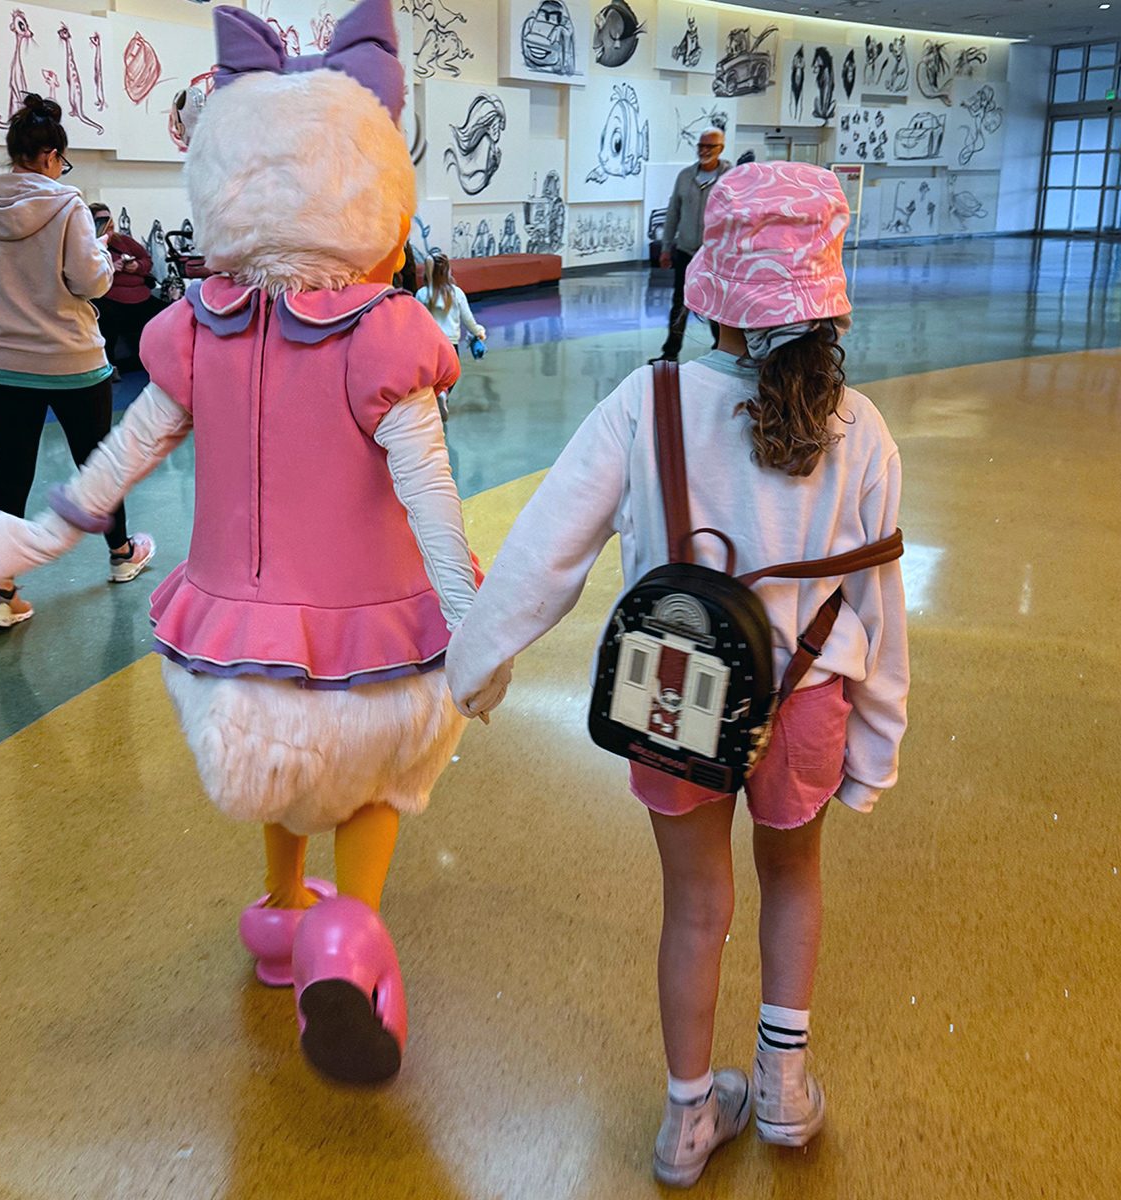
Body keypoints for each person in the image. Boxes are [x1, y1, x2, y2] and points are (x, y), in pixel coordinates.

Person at [0, 0, 479, 1089]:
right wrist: (475, 623)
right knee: (374, 784)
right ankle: (349, 935)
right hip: (369, 644)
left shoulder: (198, 332)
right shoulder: (381, 337)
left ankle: (285, 916)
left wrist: (41, 535)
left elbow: (123, 457)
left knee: (281, 781)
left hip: (232, 655)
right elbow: (429, 493)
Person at [444, 162, 908, 1186]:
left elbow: (544, 549)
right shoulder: (862, 429)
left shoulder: (645, 402)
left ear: (715, 297)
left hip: (674, 692)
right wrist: (876, 747)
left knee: (695, 905)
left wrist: (473, 664)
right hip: (810, 696)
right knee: (795, 878)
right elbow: (879, 606)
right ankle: (783, 1092)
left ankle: (689, 1120)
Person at [0, 95, 154, 628]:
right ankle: (122, 555)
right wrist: (105, 257)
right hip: (69, 360)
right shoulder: (67, 205)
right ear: (50, 156)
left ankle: (1, 592)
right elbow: (91, 282)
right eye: (62, 160)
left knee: (10, 474)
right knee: (97, 464)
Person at [650, 127, 731, 365]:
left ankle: (721, 350)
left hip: (716, 253)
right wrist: (667, 247)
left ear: (721, 149)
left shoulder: (730, 178)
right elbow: (673, 212)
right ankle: (670, 352)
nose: (704, 151)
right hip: (685, 251)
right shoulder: (685, 176)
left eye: (710, 146)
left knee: (718, 304)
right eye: (701, 146)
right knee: (680, 302)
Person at [87, 202, 165, 372]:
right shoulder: (87, 245)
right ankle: (109, 366)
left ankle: (155, 361)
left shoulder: (123, 241)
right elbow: (86, 273)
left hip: (140, 295)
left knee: (164, 314)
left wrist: (136, 266)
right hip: (110, 297)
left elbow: (147, 259)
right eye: (102, 220)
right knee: (106, 319)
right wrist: (111, 267)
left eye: (109, 219)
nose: (108, 223)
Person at [415, 251, 485, 419]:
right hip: (450, 343)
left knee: (431, 375)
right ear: (447, 270)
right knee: (452, 374)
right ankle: (443, 394)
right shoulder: (456, 293)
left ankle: (433, 399)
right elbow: (467, 318)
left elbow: (415, 321)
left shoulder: (422, 294)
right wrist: (478, 332)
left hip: (428, 344)